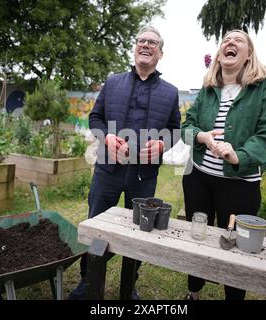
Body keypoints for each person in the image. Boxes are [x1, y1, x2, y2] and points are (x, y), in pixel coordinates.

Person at [68, 26, 181, 300]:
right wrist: (106, 137)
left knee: (140, 231)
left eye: (152, 42)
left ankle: (129, 285)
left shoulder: (170, 92)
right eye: (140, 40)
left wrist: (163, 143)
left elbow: (175, 129)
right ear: (134, 48)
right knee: (97, 224)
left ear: (160, 53)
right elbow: (95, 118)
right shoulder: (113, 82)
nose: (145, 45)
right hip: (108, 169)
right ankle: (87, 282)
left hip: (144, 175)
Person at [181, 29, 266, 300]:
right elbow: (187, 126)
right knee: (198, 235)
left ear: (248, 54)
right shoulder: (208, 89)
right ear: (219, 54)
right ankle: (193, 291)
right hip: (198, 179)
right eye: (225, 40)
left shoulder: (264, 87)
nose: (230, 42)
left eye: (238, 40)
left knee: (236, 246)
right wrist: (201, 136)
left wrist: (239, 155)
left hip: (240, 185)